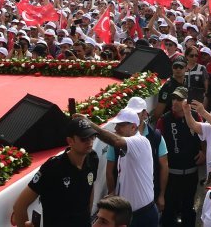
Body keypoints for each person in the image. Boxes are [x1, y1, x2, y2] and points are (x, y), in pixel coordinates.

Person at [11, 118, 99, 227]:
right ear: (70, 141)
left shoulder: (93, 158)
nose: (89, 141)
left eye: (92, 136)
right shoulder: (53, 168)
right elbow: (20, 206)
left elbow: (90, 188)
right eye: (83, 138)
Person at [84, 110, 157, 227]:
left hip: (142, 215)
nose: (116, 128)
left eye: (121, 125)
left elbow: (115, 140)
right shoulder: (127, 148)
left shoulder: (140, 141)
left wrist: (89, 124)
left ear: (133, 127)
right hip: (131, 214)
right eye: (116, 125)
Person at [158, 88, 202, 227]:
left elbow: (204, 137)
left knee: (188, 209)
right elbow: (159, 148)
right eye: (174, 98)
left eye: (179, 99)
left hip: (191, 174)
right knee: (169, 211)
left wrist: (203, 152)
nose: (175, 102)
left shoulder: (196, 117)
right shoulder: (164, 120)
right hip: (172, 176)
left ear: (187, 102)